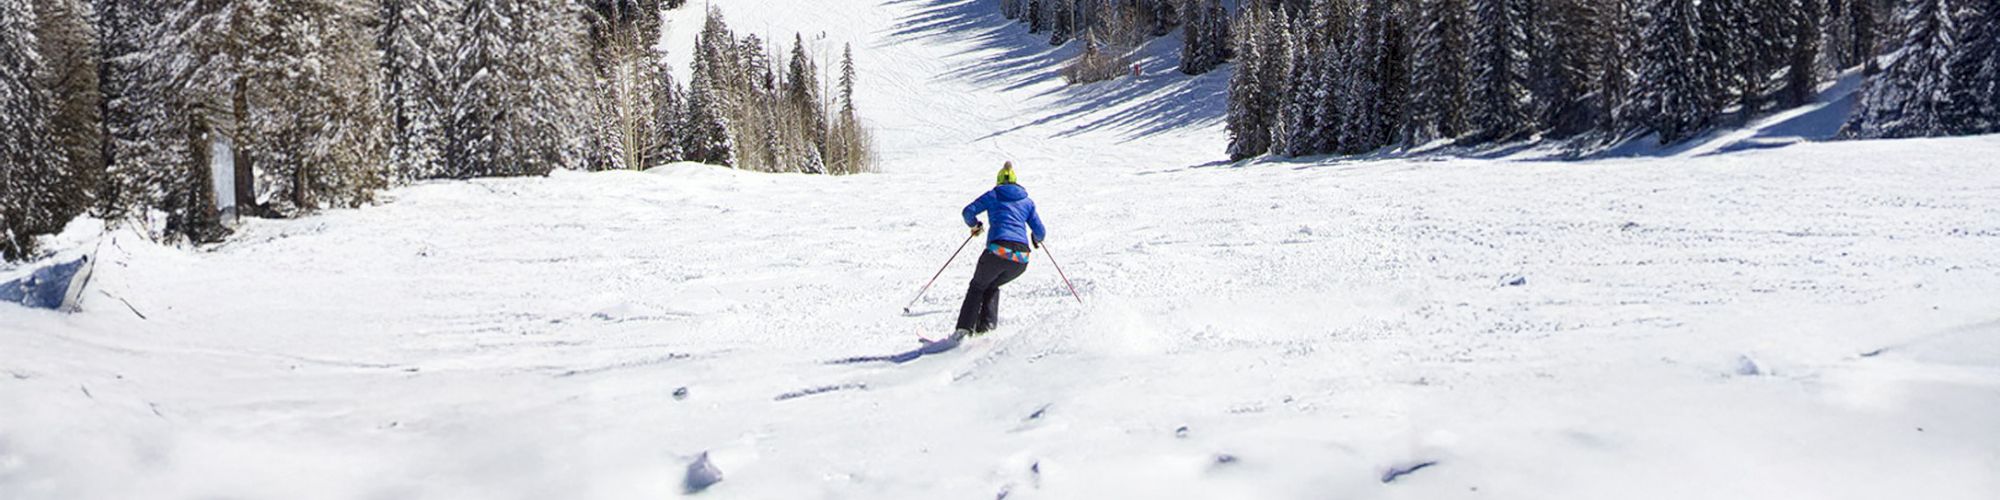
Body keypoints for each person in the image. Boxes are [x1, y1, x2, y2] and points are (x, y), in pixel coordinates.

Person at [954, 161, 1046, 340]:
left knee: (977, 287)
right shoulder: (1027, 202)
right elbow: (1040, 232)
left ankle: (963, 332)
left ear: (998, 181)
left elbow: (968, 212)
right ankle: (986, 332)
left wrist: (975, 225)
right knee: (991, 285)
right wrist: (1036, 239)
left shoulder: (994, 195)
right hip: (1021, 259)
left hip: (997, 251)